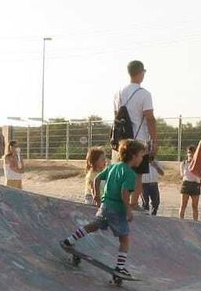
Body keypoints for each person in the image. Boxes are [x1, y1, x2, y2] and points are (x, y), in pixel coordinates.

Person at [63, 138, 143, 279]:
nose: (142, 159)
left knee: (94, 225)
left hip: (105, 206)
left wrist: (97, 196)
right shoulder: (130, 173)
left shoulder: (113, 166)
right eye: (141, 156)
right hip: (117, 210)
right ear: (134, 156)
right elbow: (125, 192)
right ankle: (120, 267)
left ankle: (69, 240)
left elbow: (97, 179)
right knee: (124, 240)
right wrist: (128, 210)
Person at [114, 60, 158, 209]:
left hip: (122, 142)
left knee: (122, 173)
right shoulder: (144, 94)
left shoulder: (118, 93)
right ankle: (133, 203)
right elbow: (150, 118)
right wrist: (154, 141)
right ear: (141, 73)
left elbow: (116, 116)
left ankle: (120, 201)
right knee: (138, 175)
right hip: (139, 140)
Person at [178, 149, 201, 220]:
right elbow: (182, 174)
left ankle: (195, 221)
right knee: (183, 204)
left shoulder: (198, 164)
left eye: (192, 152)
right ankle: (181, 220)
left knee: (195, 206)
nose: (190, 154)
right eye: (189, 152)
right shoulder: (184, 163)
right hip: (186, 184)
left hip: (195, 184)